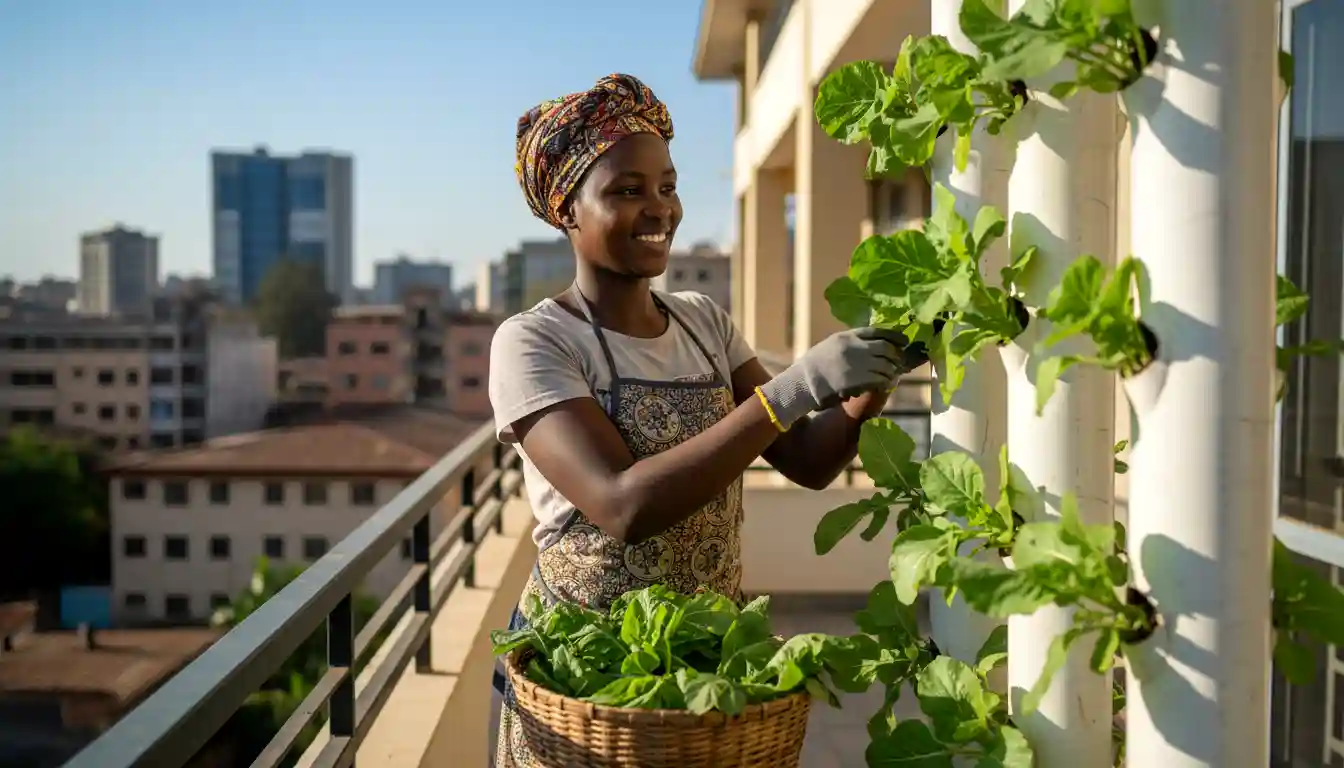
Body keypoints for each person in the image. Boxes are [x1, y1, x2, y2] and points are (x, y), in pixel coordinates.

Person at [488, 73, 924, 767]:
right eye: (627, 191)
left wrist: (869, 380)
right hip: (589, 676)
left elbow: (810, 462)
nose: (659, 208)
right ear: (567, 208)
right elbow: (621, 503)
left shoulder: (701, 323)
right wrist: (796, 386)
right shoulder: (536, 342)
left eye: (667, 185)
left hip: (704, 661)